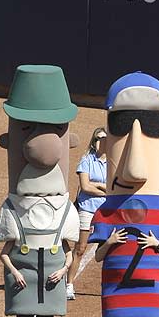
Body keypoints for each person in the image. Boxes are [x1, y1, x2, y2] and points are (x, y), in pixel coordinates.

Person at [88, 72, 159, 317]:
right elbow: (98, 257)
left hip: (146, 283)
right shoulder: (107, 211)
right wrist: (111, 241)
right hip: (118, 282)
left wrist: (156, 243)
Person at [0, 65, 80, 317]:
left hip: (51, 273)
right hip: (26, 272)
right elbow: (5, 250)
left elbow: (70, 249)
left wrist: (64, 268)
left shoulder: (63, 206)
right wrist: (15, 272)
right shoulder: (15, 206)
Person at [66, 127, 108, 300]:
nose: (101, 141)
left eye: (104, 138)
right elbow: (85, 187)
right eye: (98, 138)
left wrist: (96, 185)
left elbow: (113, 186)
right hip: (88, 208)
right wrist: (106, 190)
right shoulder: (87, 160)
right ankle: (69, 285)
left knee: (108, 249)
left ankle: (109, 286)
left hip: (107, 212)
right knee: (81, 248)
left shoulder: (114, 162)